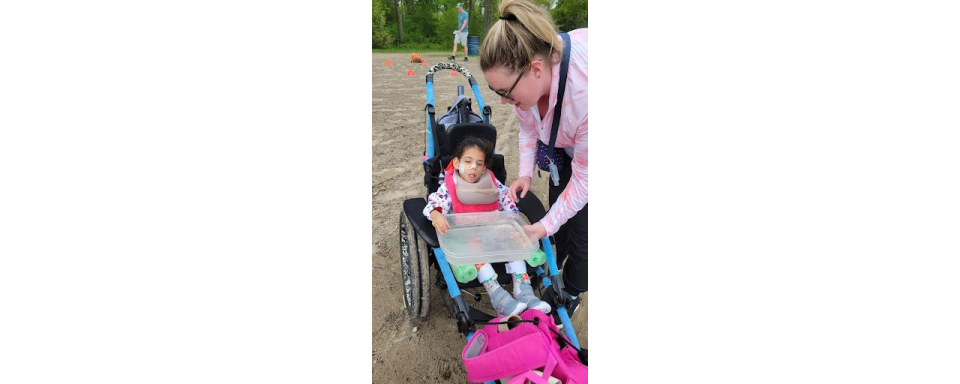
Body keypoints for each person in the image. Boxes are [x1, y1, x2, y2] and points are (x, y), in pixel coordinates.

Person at [479, 0, 588, 318]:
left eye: (506, 92)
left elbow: (583, 183)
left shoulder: (582, 94)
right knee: (559, 215)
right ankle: (555, 267)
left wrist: (542, 226)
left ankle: (570, 291)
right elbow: (529, 127)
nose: (503, 102)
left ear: (536, 69)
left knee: (583, 232)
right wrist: (525, 173)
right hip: (570, 149)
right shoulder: (528, 79)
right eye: (494, 91)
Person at [424, 136, 551, 316]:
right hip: (467, 235)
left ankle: (524, 291)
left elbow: (506, 198)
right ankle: (498, 296)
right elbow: (432, 204)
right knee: (475, 252)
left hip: (493, 231)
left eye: (479, 163)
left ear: (484, 167)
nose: (473, 167)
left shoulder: (491, 182)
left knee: (513, 243)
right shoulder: (448, 187)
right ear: (456, 162)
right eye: (468, 161)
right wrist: (436, 214)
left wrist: (512, 216)